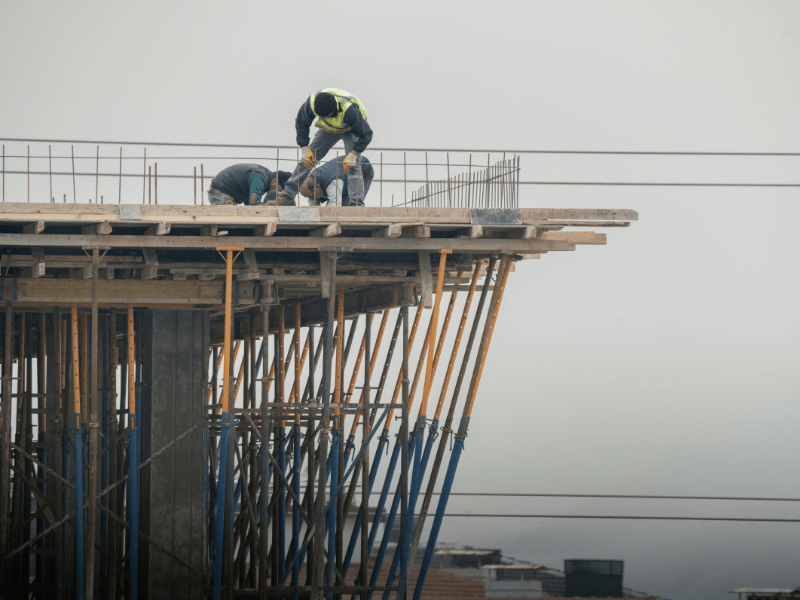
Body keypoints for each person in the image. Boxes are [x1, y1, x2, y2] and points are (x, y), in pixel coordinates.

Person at [268, 88, 372, 206]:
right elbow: (302, 122)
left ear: (334, 109)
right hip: (329, 128)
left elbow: (366, 134)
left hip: (351, 128)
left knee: (352, 166)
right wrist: (304, 148)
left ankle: (357, 205)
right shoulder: (312, 103)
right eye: (322, 116)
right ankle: (288, 196)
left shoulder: (350, 110)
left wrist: (353, 154)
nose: (325, 118)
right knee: (308, 160)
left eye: (328, 115)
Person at [299, 155, 374, 207]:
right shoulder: (311, 181)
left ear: (317, 186)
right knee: (342, 206)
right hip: (343, 175)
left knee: (349, 206)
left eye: (311, 196)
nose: (311, 198)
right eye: (307, 197)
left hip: (362, 168)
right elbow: (314, 207)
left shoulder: (332, 182)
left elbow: (334, 207)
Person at [207, 164, 291, 205]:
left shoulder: (263, 180)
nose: (278, 194)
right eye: (279, 190)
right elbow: (253, 203)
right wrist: (267, 207)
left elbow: (249, 204)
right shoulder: (260, 178)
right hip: (221, 193)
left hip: (222, 192)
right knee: (230, 220)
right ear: (274, 181)